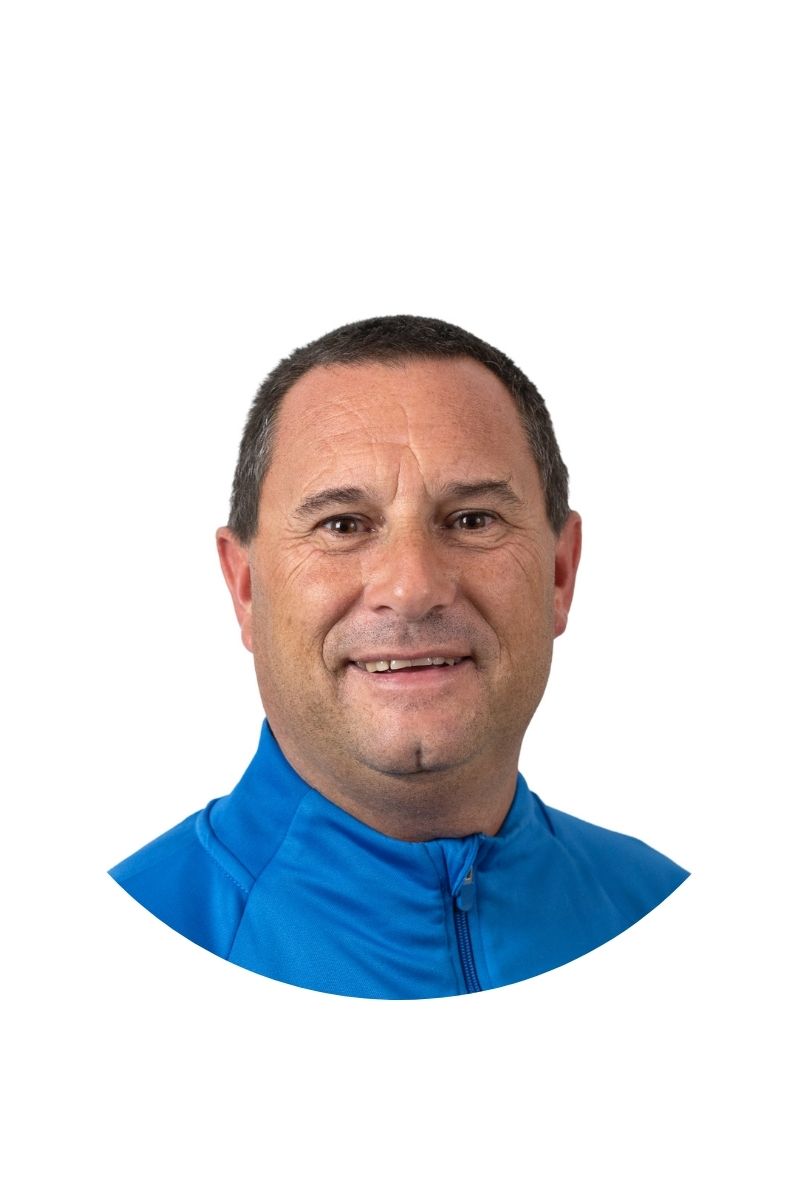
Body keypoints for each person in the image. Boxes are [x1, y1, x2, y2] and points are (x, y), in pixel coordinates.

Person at [109, 314, 688, 999]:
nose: (412, 589)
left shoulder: (667, 913)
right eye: (342, 525)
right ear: (246, 588)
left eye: (472, 520)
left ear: (560, 574)